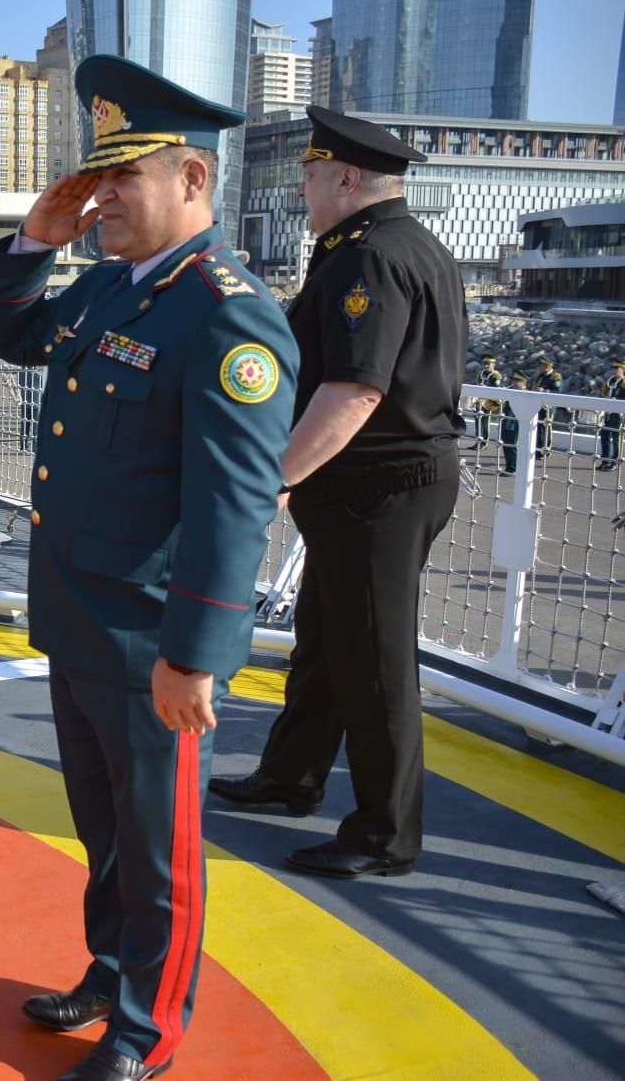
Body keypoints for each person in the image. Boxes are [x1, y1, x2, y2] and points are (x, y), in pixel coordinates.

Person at [0, 56, 296, 1081]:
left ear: (193, 183)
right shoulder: (115, 288)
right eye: (96, 177)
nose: (101, 198)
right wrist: (36, 238)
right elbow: (15, 332)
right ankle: (112, 972)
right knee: (107, 834)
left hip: (150, 637)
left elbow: (234, 504)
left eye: (123, 180)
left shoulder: (227, 313)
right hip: (78, 619)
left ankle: (146, 1033)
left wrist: (194, 657)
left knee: (162, 854)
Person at [209, 105, 467, 883]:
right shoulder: (405, 245)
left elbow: (354, 389)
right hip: (376, 484)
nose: (301, 188)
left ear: (345, 178)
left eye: (309, 175)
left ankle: (384, 833)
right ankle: (289, 776)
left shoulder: (366, 257)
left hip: (376, 485)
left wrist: (276, 477)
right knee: (326, 637)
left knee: (375, 662)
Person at [534, 355, 564, 457]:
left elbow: (558, 392)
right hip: (538, 405)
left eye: (541, 366)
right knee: (538, 427)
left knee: (546, 427)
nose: (540, 368)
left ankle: (546, 449)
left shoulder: (555, 377)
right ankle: (538, 448)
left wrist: (545, 391)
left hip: (548, 407)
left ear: (547, 366)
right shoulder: (540, 376)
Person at [499, 372, 528, 476]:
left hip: (515, 423)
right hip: (507, 421)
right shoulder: (511, 392)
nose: (514, 383)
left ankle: (513, 468)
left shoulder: (526, 394)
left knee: (512, 445)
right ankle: (509, 467)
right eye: (513, 380)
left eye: (517, 381)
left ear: (523, 382)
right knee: (506, 445)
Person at [600, 360, 625, 471]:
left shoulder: (624, 383)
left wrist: (617, 400)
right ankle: (605, 461)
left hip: (618, 415)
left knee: (616, 438)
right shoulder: (608, 381)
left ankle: (615, 461)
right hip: (607, 413)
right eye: (614, 369)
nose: (614, 371)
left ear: (623, 370)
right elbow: (604, 394)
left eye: (617, 369)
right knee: (604, 437)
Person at [475, 356, 502, 447]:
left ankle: (484, 442)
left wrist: (486, 387)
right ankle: (478, 441)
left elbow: (497, 389)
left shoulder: (496, 375)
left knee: (485, 422)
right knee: (477, 422)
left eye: (488, 364)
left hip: (489, 402)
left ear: (493, 364)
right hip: (480, 400)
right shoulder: (481, 374)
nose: (486, 366)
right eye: (485, 364)